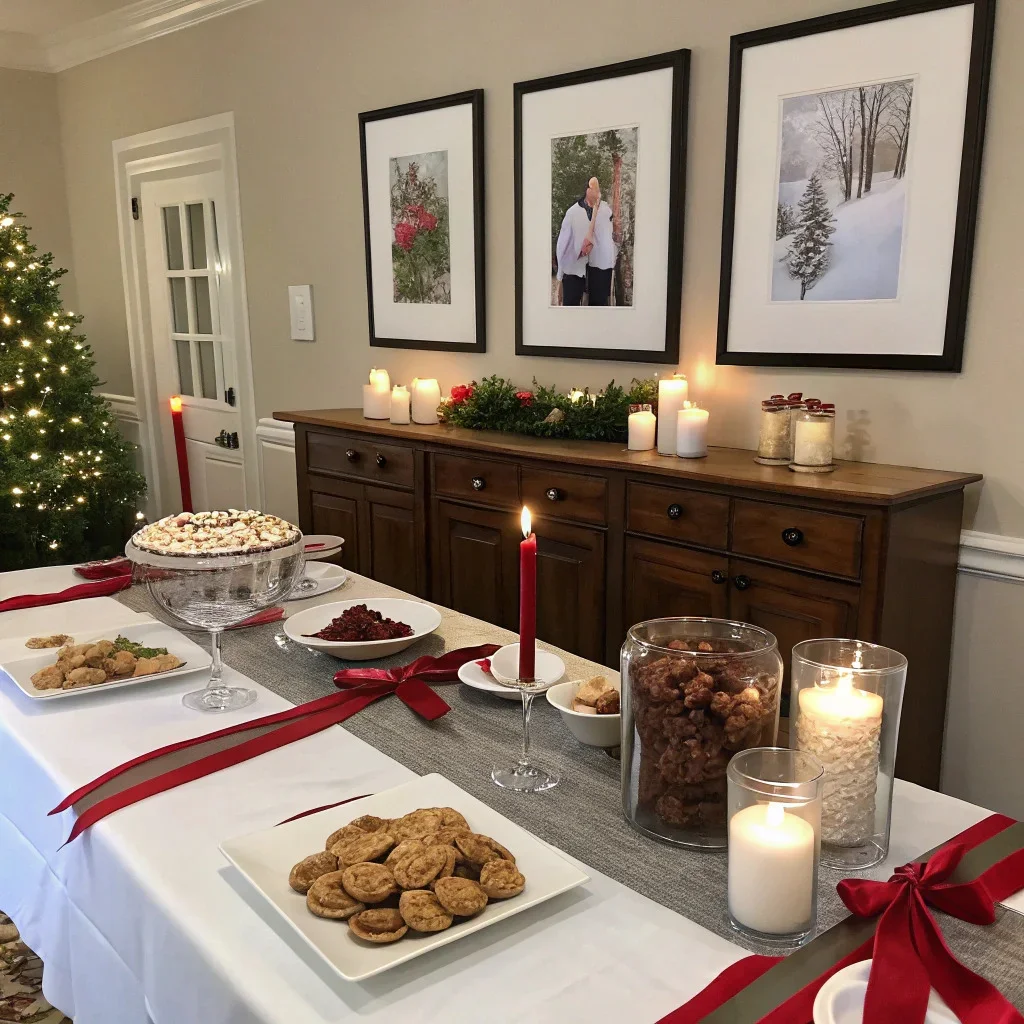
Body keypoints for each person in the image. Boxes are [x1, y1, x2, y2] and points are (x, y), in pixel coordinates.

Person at [554, 177, 621, 306]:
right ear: (586, 190)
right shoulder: (573, 213)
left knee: (598, 307)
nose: (597, 191)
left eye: (598, 188)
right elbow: (562, 243)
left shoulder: (606, 211)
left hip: (600, 269)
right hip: (574, 269)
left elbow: (608, 239)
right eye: (593, 187)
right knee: (571, 307)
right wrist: (560, 274)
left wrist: (612, 258)